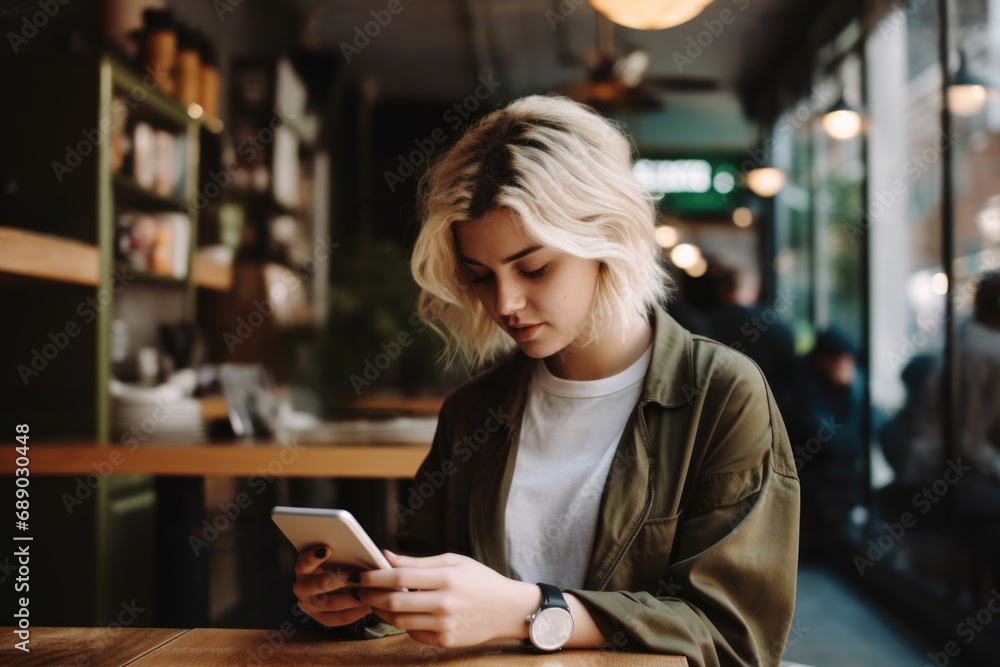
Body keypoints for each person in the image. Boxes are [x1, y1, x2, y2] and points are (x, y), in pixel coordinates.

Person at [291, 94, 800, 665]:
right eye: (481, 276)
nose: (505, 303)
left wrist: (532, 610)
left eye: (534, 269)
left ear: (607, 239)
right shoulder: (471, 411)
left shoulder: (722, 395)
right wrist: (363, 603)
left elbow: (735, 636)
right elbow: (425, 587)